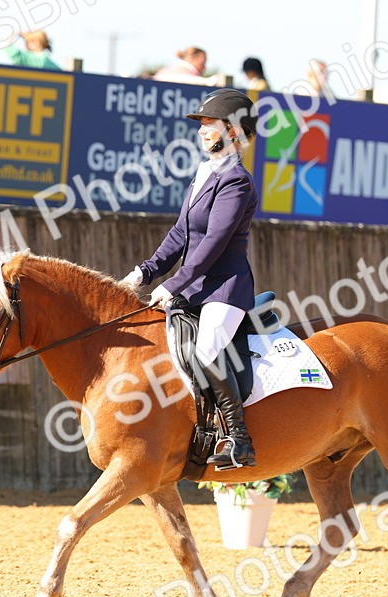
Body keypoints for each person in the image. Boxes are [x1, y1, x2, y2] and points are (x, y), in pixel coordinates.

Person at [121, 89, 260, 470]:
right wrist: (145, 272)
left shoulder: (237, 181)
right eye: (200, 124)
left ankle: (238, 439)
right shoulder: (205, 173)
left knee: (206, 350)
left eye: (209, 124)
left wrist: (172, 285)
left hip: (224, 289)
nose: (201, 131)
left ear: (233, 131)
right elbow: (181, 235)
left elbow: (213, 243)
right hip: (195, 288)